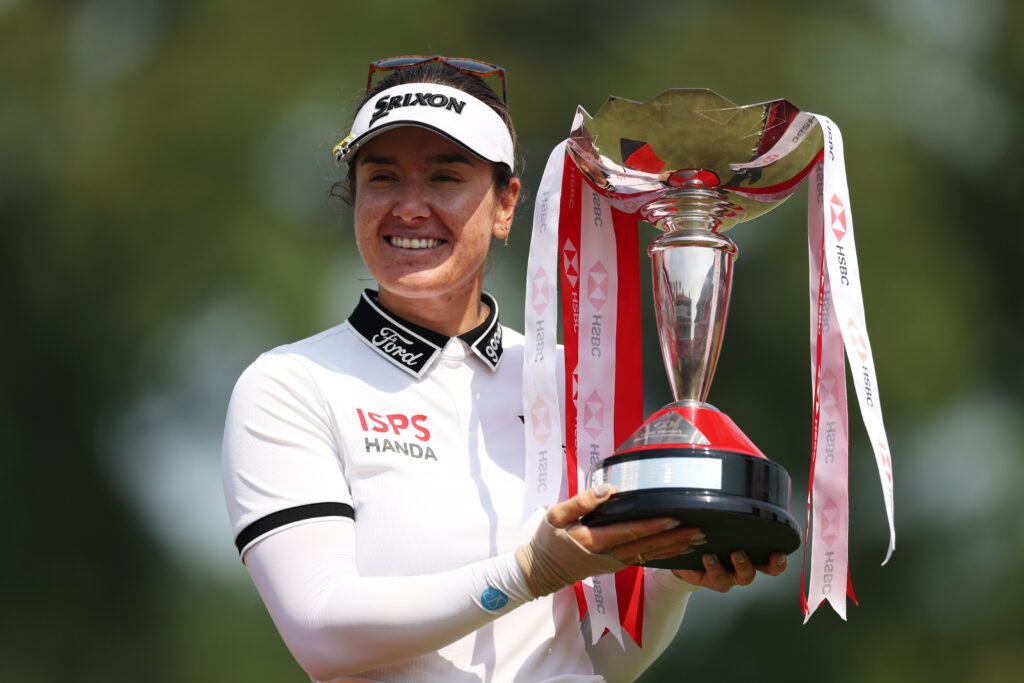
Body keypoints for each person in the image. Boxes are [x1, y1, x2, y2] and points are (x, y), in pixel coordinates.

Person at [221, 55, 788, 683]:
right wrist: (527, 573)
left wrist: (672, 572)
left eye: (445, 177)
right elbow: (322, 634)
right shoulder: (290, 385)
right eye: (382, 178)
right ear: (355, 196)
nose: (410, 207)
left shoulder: (574, 381)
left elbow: (605, 658)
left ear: (505, 205)